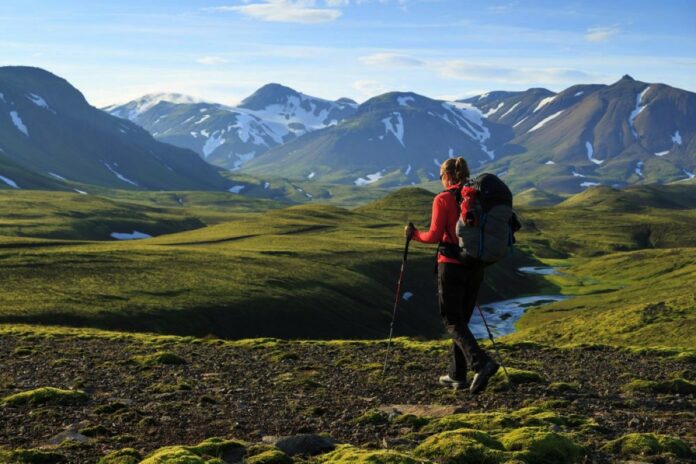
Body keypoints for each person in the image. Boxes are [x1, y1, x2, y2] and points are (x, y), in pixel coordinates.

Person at [404, 157, 499, 394]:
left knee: (451, 320)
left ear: (446, 176)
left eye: (440, 177)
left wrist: (414, 234)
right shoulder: (477, 198)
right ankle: (457, 375)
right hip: (476, 266)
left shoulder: (443, 199)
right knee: (461, 322)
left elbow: (435, 235)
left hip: (451, 265)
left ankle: (481, 363)